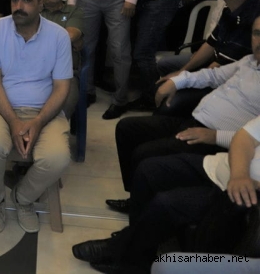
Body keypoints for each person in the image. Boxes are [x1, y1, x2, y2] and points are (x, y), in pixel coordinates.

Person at [104, 15, 260, 216]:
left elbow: (253, 138)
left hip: (214, 138)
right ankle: (136, 197)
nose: (259, 40)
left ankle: (141, 206)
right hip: (193, 121)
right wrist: (177, 81)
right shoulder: (248, 62)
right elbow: (212, 76)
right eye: (257, 33)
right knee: (127, 128)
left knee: (144, 154)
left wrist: (215, 136)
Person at [75, 112, 260, 273]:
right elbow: (245, 137)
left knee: (165, 203)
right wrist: (239, 174)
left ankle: (119, 249)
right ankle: (137, 255)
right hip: (227, 168)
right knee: (148, 170)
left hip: (243, 196)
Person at [0, 0, 73, 234]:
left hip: (45, 111)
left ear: (41, 3)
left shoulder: (59, 36)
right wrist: (13, 121)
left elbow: (62, 88)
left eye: (26, 0)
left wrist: (38, 122)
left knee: (57, 158)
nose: (18, 6)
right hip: (1, 108)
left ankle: (23, 198)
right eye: (14, 0)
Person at [156, 0, 260, 117]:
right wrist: (182, 71)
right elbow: (211, 43)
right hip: (216, 65)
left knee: (171, 103)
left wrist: (181, 79)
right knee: (165, 65)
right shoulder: (230, 8)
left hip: (229, 79)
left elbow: (218, 68)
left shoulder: (252, 19)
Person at [38, 0, 84, 118]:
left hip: (65, 73)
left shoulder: (74, 11)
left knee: (62, 110)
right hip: (34, 71)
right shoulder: (33, 11)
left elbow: (71, 35)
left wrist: (38, 39)